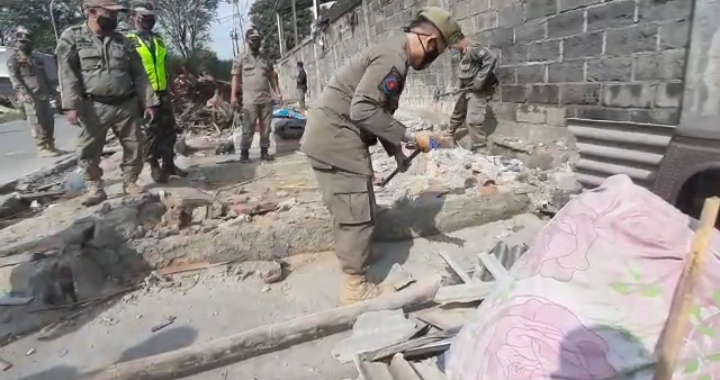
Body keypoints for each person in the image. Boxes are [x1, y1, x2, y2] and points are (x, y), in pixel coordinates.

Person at [299, 7, 463, 305]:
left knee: (358, 201)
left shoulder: (392, 54)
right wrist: (413, 137)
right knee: (355, 211)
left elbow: (379, 114)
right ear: (429, 42)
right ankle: (355, 285)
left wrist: (397, 150)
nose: (434, 58)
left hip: (335, 135)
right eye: (438, 51)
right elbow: (362, 110)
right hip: (335, 138)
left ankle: (358, 252)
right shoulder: (393, 60)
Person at [56, 0, 158, 206]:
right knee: (88, 149)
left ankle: (130, 181)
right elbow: (67, 73)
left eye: (116, 14)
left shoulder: (123, 41)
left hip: (126, 103)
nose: (114, 18)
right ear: (92, 12)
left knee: (135, 145)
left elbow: (139, 74)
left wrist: (148, 101)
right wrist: (71, 105)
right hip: (94, 105)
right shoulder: (73, 37)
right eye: (109, 13)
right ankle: (95, 187)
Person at [127, 1, 188, 184]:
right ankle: (154, 166)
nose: (149, 20)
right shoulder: (128, 41)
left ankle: (169, 164)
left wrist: (173, 88)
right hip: (145, 94)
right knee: (150, 133)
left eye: (151, 17)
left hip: (163, 92)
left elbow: (164, 65)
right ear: (135, 18)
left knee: (169, 129)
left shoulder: (158, 39)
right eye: (144, 17)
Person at [6, 27, 60, 157]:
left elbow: (44, 77)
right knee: (36, 122)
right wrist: (23, 92)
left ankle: (51, 145)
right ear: (16, 43)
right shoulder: (14, 60)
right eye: (21, 42)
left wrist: (54, 92)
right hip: (30, 96)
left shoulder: (36, 58)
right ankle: (42, 147)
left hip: (43, 93)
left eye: (26, 41)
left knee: (48, 120)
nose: (24, 44)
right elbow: (15, 78)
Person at [230, 28, 282, 163]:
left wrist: (277, 92)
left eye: (258, 40)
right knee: (248, 126)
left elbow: (272, 77)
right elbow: (235, 78)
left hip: (265, 99)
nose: (257, 42)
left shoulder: (265, 59)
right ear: (248, 41)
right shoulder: (240, 58)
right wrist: (233, 96)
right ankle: (244, 154)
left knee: (266, 127)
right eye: (254, 40)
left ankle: (264, 152)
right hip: (249, 100)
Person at [446, 37, 497, 151]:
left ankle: (481, 149)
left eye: (452, 46)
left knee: (473, 121)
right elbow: (465, 73)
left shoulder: (474, 50)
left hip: (478, 92)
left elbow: (491, 58)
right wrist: (457, 87)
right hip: (467, 90)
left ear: (460, 42)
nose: (451, 49)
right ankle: (449, 134)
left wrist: (479, 81)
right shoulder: (463, 53)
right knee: (457, 113)